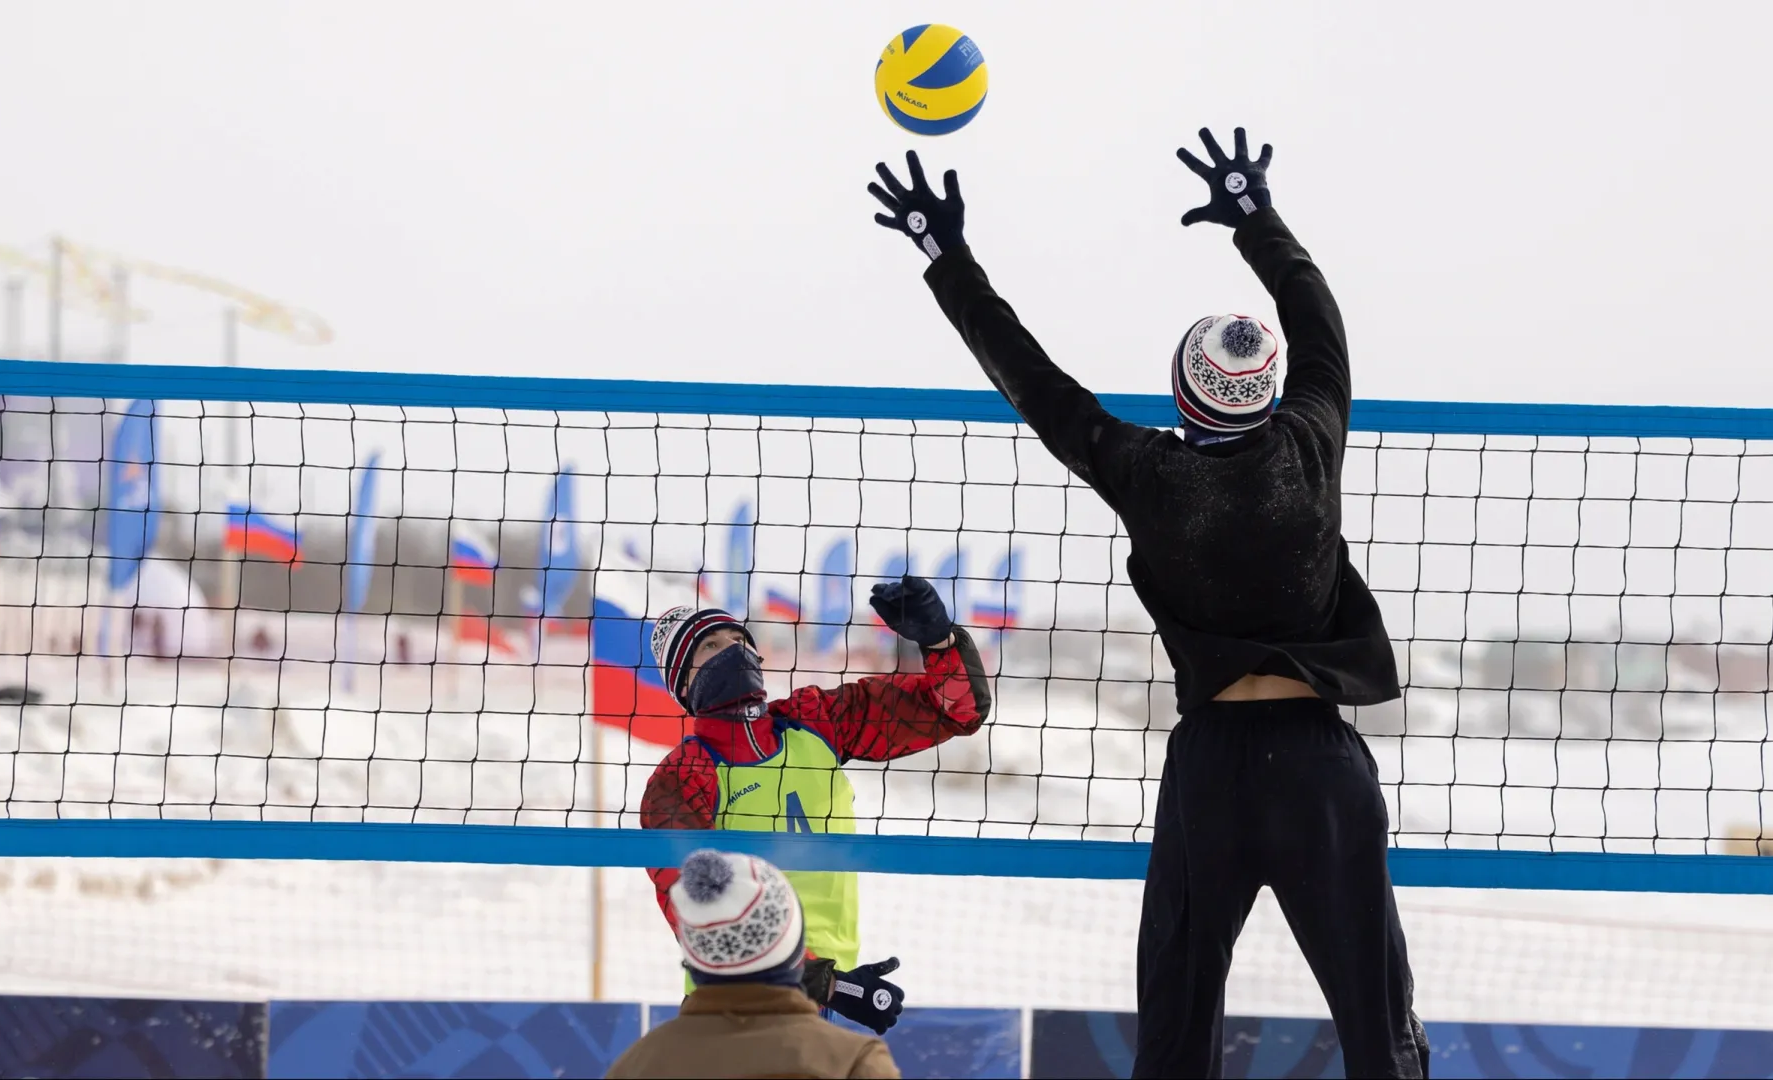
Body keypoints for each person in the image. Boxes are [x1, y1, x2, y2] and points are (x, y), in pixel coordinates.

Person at [866, 129, 1430, 1078]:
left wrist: (945, 254)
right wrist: (1255, 214)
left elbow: (1032, 381)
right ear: (1271, 394)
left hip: (1212, 768)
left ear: (1182, 394)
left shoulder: (1149, 472)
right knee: (1380, 1028)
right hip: (1316, 766)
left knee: (1176, 1029)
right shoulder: (1310, 443)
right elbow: (1320, 316)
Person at [638, 576, 992, 1035]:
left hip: (827, 996)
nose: (733, 650)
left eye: (739, 639)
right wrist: (828, 985)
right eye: (711, 646)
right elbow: (699, 911)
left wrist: (940, 641)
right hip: (734, 1004)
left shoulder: (817, 721)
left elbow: (955, 712)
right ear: (683, 682)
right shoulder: (682, 777)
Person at [607, 849, 902, 1079]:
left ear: (695, 956)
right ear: (795, 945)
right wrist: (831, 984)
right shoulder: (854, 1063)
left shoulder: (638, 1066)